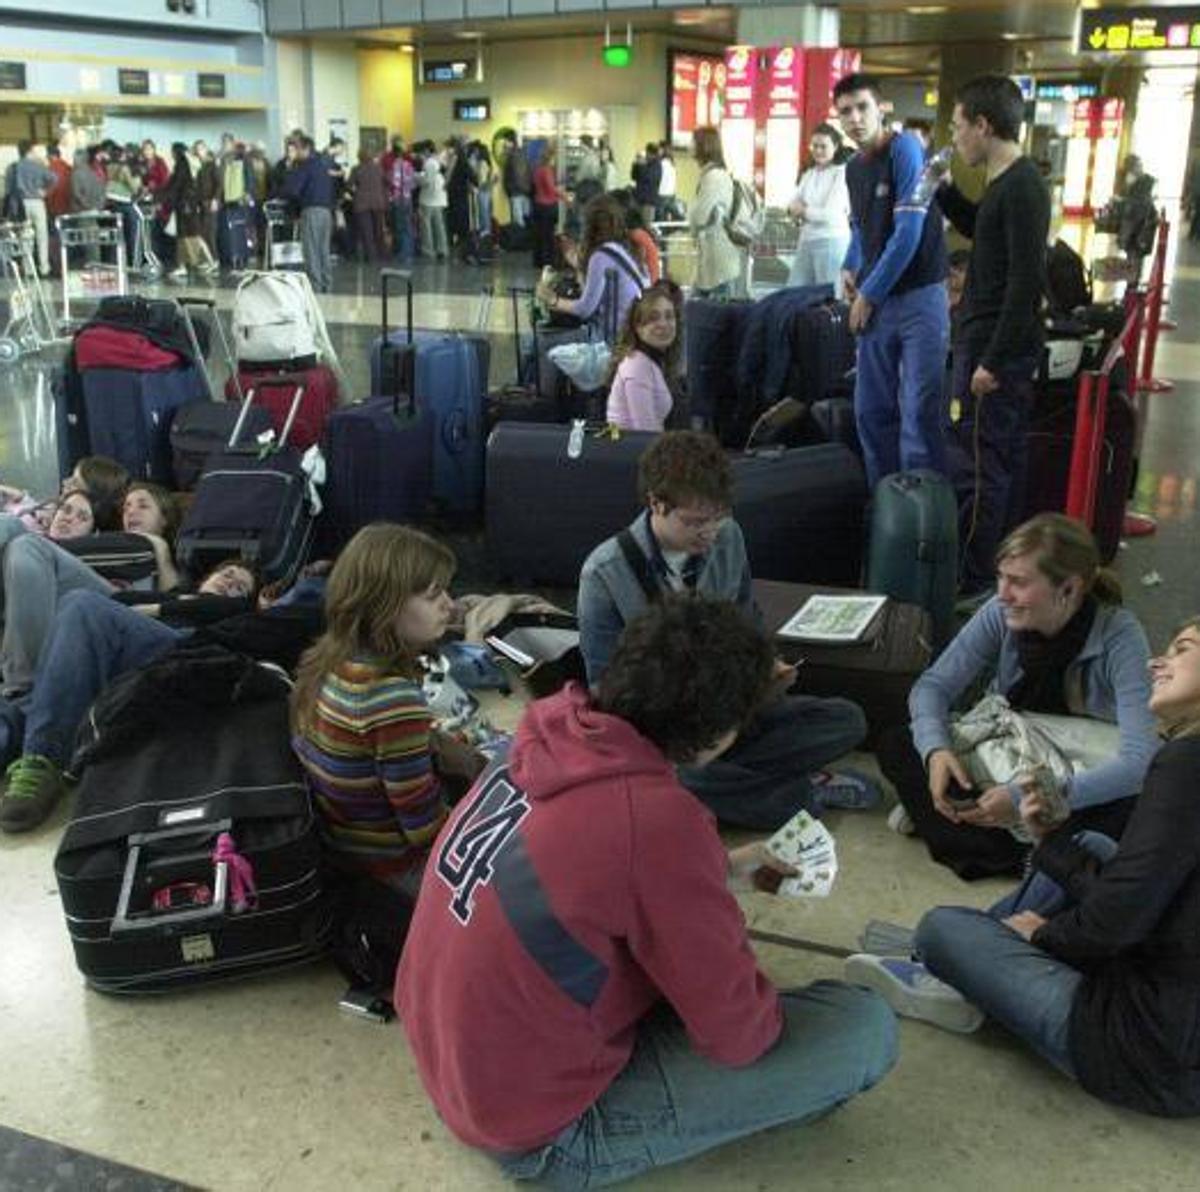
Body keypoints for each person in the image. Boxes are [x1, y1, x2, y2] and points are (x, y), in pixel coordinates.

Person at [397, 594, 898, 1185]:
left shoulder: (536, 740)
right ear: (719, 732)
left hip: (453, 1070)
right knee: (864, 1026)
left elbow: (587, 880)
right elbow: (740, 1034)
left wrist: (718, 870)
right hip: (544, 1133)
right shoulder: (657, 820)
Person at [850, 616, 1200, 1119]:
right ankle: (971, 966)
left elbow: (1117, 920)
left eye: (1182, 649)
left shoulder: (1186, 763)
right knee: (1093, 842)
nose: (1157, 662)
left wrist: (1042, 936)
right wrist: (1047, 838)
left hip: (1141, 1052)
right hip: (1177, 1014)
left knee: (941, 929)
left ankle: (952, 969)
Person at [577, 431, 877, 829]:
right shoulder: (605, 573)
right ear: (656, 503)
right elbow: (603, 691)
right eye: (695, 522)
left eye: (718, 517)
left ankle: (739, 789)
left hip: (730, 713)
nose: (710, 533)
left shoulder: (728, 536)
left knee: (848, 719)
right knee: (687, 775)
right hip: (668, 736)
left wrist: (766, 668)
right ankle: (790, 792)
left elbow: (746, 624)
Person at [876, 513, 1158, 881]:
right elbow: (933, 686)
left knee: (1137, 804)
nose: (1003, 594)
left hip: (1074, 769)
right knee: (898, 742)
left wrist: (1030, 797)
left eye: (1019, 582)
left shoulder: (1119, 636)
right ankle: (1023, 848)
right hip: (1012, 750)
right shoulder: (1000, 612)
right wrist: (936, 752)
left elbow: (1139, 761)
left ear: (1069, 589)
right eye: (1001, 578)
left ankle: (976, 837)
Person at [0, 559, 272, 833]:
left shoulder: (230, 614)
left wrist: (155, 608)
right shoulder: (165, 594)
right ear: (203, 579)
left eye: (239, 586)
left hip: (179, 650)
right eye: (226, 574)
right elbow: (120, 599)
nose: (229, 583)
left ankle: (43, 760)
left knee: (81, 604)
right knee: (16, 709)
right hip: (110, 658)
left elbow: (227, 610)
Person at [291, 524, 482, 895]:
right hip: (394, 866)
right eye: (432, 595)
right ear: (385, 604)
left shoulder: (331, 657)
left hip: (346, 844)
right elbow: (426, 831)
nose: (449, 603)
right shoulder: (389, 697)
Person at [937, 75, 1051, 597]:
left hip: (992, 356)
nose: (957, 138)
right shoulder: (1004, 184)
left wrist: (992, 361)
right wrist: (942, 191)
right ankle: (989, 571)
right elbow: (984, 227)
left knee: (981, 470)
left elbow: (1026, 284)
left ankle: (979, 579)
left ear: (984, 125)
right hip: (982, 345)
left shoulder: (1023, 186)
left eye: (961, 127)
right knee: (987, 462)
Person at [834, 72, 950, 490]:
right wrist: (851, 265)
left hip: (920, 296)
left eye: (862, 107)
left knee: (919, 413)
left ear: (881, 108)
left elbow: (909, 232)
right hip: (880, 301)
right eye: (845, 112)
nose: (855, 118)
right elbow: (861, 230)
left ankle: (921, 517)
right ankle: (885, 511)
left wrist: (868, 291)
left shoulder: (906, 150)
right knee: (871, 410)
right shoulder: (852, 169)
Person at [538, 193, 648, 337]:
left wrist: (552, 299)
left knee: (535, 346)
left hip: (616, 339)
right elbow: (592, 296)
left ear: (589, 226)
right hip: (634, 332)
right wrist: (580, 267)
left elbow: (586, 309)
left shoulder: (601, 256)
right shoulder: (625, 248)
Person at [606, 282, 681, 432]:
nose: (664, 324)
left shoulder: (650, 360)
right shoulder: (637, 366)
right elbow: (646, 434)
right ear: (638, 327)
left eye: (669, 316)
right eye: (653, 318)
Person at [786, 123, 852, 295]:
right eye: (814, 146)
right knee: (794, 293)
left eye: (823, 146)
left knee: (828, 296)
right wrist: (803, 210)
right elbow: (792, 204)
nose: (817, 150)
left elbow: (830, 215)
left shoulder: (842, 172)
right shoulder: (810, 173)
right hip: (807, 239)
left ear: (835, 147)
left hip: (831, 241)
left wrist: (803, 211)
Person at [689, 126, 746, 299]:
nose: (690, 146)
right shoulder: (714, 175)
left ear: (704, 146)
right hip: (715, 261)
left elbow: (699, 216)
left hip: (718, 263)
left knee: (713, 314)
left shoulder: (714, 177)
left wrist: (690, 214)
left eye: (693, 142)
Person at [283, 136, 336, 292]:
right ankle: (327, 284)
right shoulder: (323, 164)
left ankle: (315, 286)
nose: (296, 152)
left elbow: (292, 190)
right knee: (323, 250)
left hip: (311, 211)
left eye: (298, 148)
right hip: (327, 212)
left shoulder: (305, 166)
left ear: (306, 149)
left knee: (311, 250)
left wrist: (291, 170)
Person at [14, 142, 56, 277]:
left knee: (25, 236)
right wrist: (46, 191)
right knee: (42, 235)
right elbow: (54, 178)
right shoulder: (38, 165)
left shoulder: (15, 167)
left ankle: (28, 269)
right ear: (30, 151)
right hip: (38, 202)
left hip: (22, 203)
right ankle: (44, 268)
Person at [1117, 155, 1158, 285]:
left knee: (1135, 255)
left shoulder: (1143, 183)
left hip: (1139, 226)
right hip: (1137, 225)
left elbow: (1140, 204)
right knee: (1134, 255)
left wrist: (1123, 202)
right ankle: (1132, 284)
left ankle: (1132, 285)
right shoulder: (1135, 183)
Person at [349, 148, 388, 264]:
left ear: (359, 157)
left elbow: (349, 185)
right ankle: (382, 255)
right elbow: (386, 182)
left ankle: (371, 258)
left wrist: (355, 193)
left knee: (367, 232)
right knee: (378, 230)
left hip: (361, 203)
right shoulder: (379, 168)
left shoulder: (356, 169)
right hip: (378, 202)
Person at [530, 144, 565, 269]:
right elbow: (551, 189)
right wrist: (564, 197)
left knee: (539, 235)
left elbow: (536, 186)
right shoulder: (547, 170)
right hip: (548, 206)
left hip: (538, 205)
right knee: (549, 236)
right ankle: (548, 261)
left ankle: (538, 260)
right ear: (551, 157)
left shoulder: (537, 169)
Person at [382, 136, 415, 261]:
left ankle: (402, 253)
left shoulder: (393, 164)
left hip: (396, 199)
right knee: (408, 226)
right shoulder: (409, 163)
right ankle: (408, 253)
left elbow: (392, 182)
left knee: (399, 227)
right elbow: (412, 183)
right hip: (408, 198)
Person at [417, 143, 448, 261]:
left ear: (426, 151)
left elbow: (427, 182)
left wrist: (418, 179)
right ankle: (442, 249)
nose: (420, 156)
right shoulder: (439, 160)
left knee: (427, 227)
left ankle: (428, 250)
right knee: (439, 226)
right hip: (439, 199)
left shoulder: (429, 163)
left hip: (428, 200)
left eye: (421, 153)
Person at [502, 135, 533, 228]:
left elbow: (511, 175)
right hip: (526, 192)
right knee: (526, 219)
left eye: (505, 145)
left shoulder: (511, 157)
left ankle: (521, 241)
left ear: (511, 144)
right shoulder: (524, 155)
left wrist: (508, 191)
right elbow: (529, 172)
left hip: (516, 192)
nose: (504, 148)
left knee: (518, 223)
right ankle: (527, 240)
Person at [631, 142, 662, 229]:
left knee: (646, 227)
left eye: (649, 153)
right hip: (639, 199)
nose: (647, 155)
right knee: (638, 226)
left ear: (654, 154)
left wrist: (642, 166)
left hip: (648, 202)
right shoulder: (645, 164)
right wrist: (635, 165)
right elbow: (634, 177)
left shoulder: (657, 165)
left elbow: (649, 178)